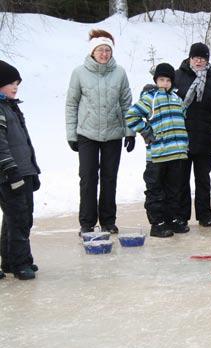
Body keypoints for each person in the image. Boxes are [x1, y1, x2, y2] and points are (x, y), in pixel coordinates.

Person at [65, 29, 134, 235]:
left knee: (109, 177)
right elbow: (71, 104)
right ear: (92, 52)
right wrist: (72, 134)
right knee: (87, 178)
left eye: (107, 50)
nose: (104, 54)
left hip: (113, 134)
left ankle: (108, 221)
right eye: (100, 50)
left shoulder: (120, 72)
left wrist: (130, 132)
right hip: (87, 133)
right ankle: (86, 223)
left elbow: (127, 104)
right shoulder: (79, 72)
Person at [125, 63, 189, 238]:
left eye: (168, 80)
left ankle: (171, 220)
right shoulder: (150, 99)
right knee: (156, 189)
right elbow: (131, 115)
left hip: (176, 153)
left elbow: (182, 119)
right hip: (157, 155)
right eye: (161, 79)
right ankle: (157, 223)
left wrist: (184, 143)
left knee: (174, 190)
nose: (165, 83)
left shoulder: (177, 99)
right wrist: (147, 131)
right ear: (156, 80)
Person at [174, 42, 211, 228]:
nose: (199, 61)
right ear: (190, 58)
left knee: (203, 180)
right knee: (181, 180)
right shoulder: (177, 77)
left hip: (205, 137)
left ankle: (204, 215)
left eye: (203, 58)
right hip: (181, 138)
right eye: (196, 57)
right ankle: (181, 215)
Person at [0, 61, 41, 280]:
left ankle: (9, 260)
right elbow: (1, 145)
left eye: (17, 83)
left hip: (22, 171)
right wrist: (11, 171)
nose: (15, 87)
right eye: (10, 83)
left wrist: (32, 170)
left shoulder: (11, 106)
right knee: (20, 218)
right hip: (10, 174)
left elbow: (23, 143)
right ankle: (20, 263)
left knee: (14, 218)